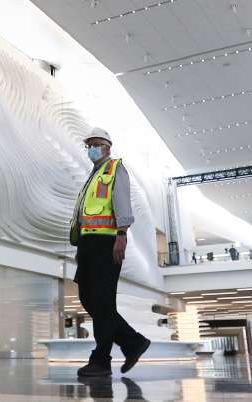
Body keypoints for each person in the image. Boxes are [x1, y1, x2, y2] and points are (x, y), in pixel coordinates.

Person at [69, 127, 151, 378]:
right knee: (88, 298)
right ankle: (132, 341)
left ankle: (101, 360)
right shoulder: (93, 175)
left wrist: (122, 234)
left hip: (107, 242)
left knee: (103, 302)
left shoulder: (115, 169)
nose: (91, 149)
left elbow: (122, 201)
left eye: (95, 144)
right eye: (88, 145)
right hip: (88, 244)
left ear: (107, 147)